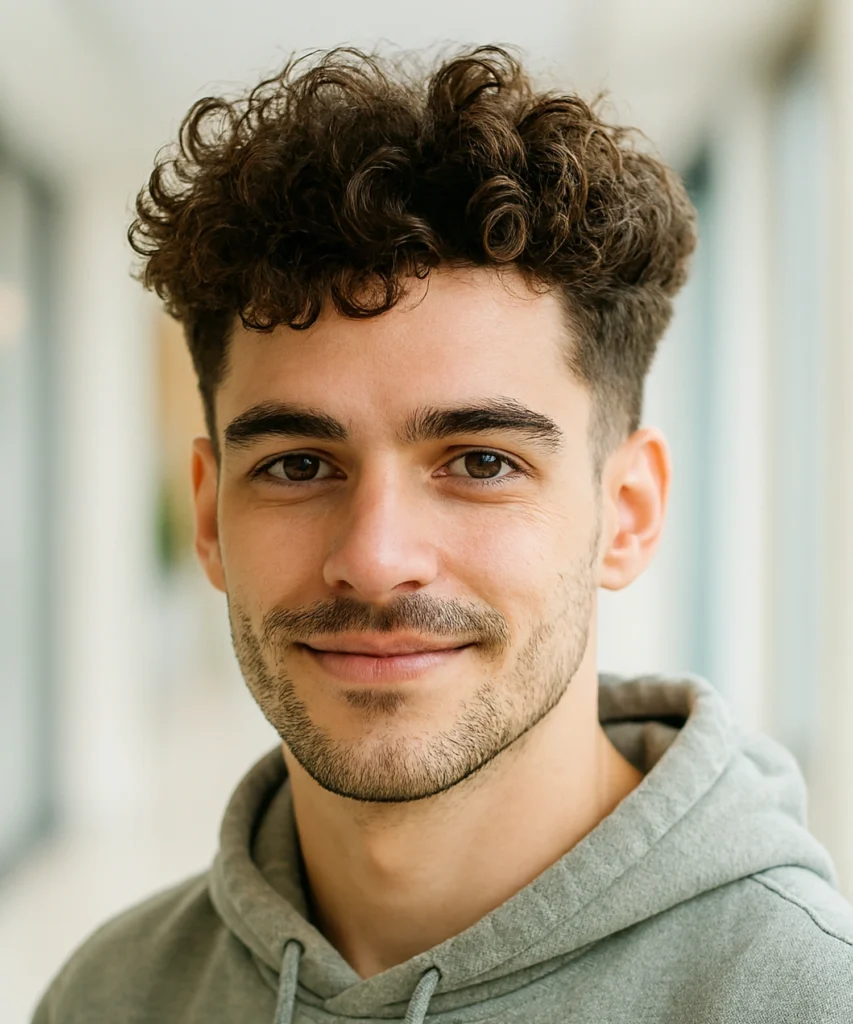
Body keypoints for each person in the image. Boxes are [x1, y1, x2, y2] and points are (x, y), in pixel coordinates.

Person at [33, 44, 853, 1024]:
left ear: (628, 513)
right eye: (298, 465)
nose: (376, 556)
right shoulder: (110, 995)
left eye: (480, 462)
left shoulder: (807, 995)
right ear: (209, 517)